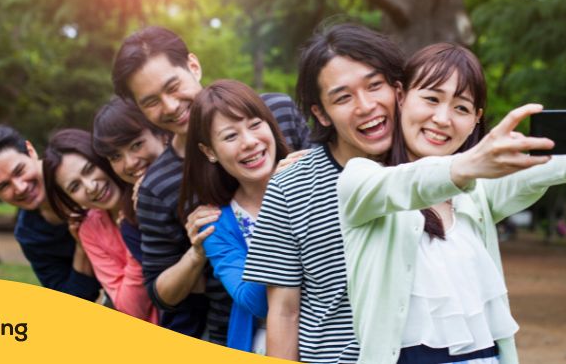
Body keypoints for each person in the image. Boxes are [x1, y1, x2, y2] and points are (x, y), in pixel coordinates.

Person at [336, 43, 566, 364]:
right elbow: (409, 183)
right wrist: (467, 164)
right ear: (400, 97)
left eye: (461, 108)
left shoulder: (476, 192)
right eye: (431, 98)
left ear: (476, 119)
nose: (442, 119)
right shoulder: (362, 180)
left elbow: (534, 171)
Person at [111, 25, 310, 341]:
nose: (170, 106)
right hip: (239, 328)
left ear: (193, 66)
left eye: (173, 86)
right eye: (151, 101)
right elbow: (161, 294)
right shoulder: (157, 186)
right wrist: (196, 252)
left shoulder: (277, 113)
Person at [242, 23, 404, 362]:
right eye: (343, 97)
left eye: (375, 85)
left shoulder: (434, 170)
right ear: (321, 113)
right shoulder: (290, 187)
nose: (365, 105)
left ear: (397, 89)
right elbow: (284, 313)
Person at [178, 80, 289, 353]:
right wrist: (277, 206)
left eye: (255, 125)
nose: (249, 142)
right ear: (209, 152)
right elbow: (257, 302)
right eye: (230, 136)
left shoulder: (315, 176)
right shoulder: (215, 225)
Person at [0, 125, 100, 301]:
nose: (20, 188)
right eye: (3, 186)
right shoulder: (30, 234)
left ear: (31, 151)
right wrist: (83, 247)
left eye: (19, 171)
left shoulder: (83, 170)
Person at [42, 129, 158, 323]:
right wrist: (134, 243)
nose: (90, 186)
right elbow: (131, 309)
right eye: (75, 187)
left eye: (89, 169)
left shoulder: (152, 191)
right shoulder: (91, 230)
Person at [92, 97, 170, 264]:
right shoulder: (132, 223)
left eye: (136, 145)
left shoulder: (206, 171)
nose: (130, 163)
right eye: (116, 156)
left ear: (162, 133)